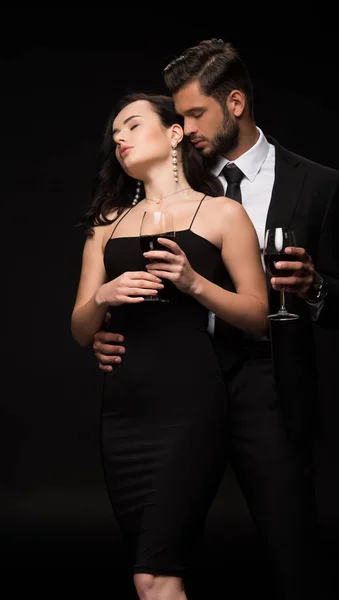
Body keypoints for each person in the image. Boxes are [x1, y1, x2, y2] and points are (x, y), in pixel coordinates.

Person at [91, 40, 339, 599]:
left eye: (194, 114)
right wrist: (108, 329)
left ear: (234, 103)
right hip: (176, 386)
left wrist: (313, 290)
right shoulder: (170, 177)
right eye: (176, 117)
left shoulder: (315, 184)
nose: (183, 128)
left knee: (293, 553)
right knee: (161, 559)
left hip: (265, 384)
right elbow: (114, 277)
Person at [71, 91, 269, 600]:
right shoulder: (108, 223)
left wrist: (194, 283)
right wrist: (102, 295)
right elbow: (79, 327)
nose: (120, 137)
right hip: (123, 411)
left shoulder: (223, 214)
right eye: (115, 133)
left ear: (175, 133)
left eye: (133, 125)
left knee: (154, 573)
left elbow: (260, 315)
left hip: (190, 406)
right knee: (149, 575)